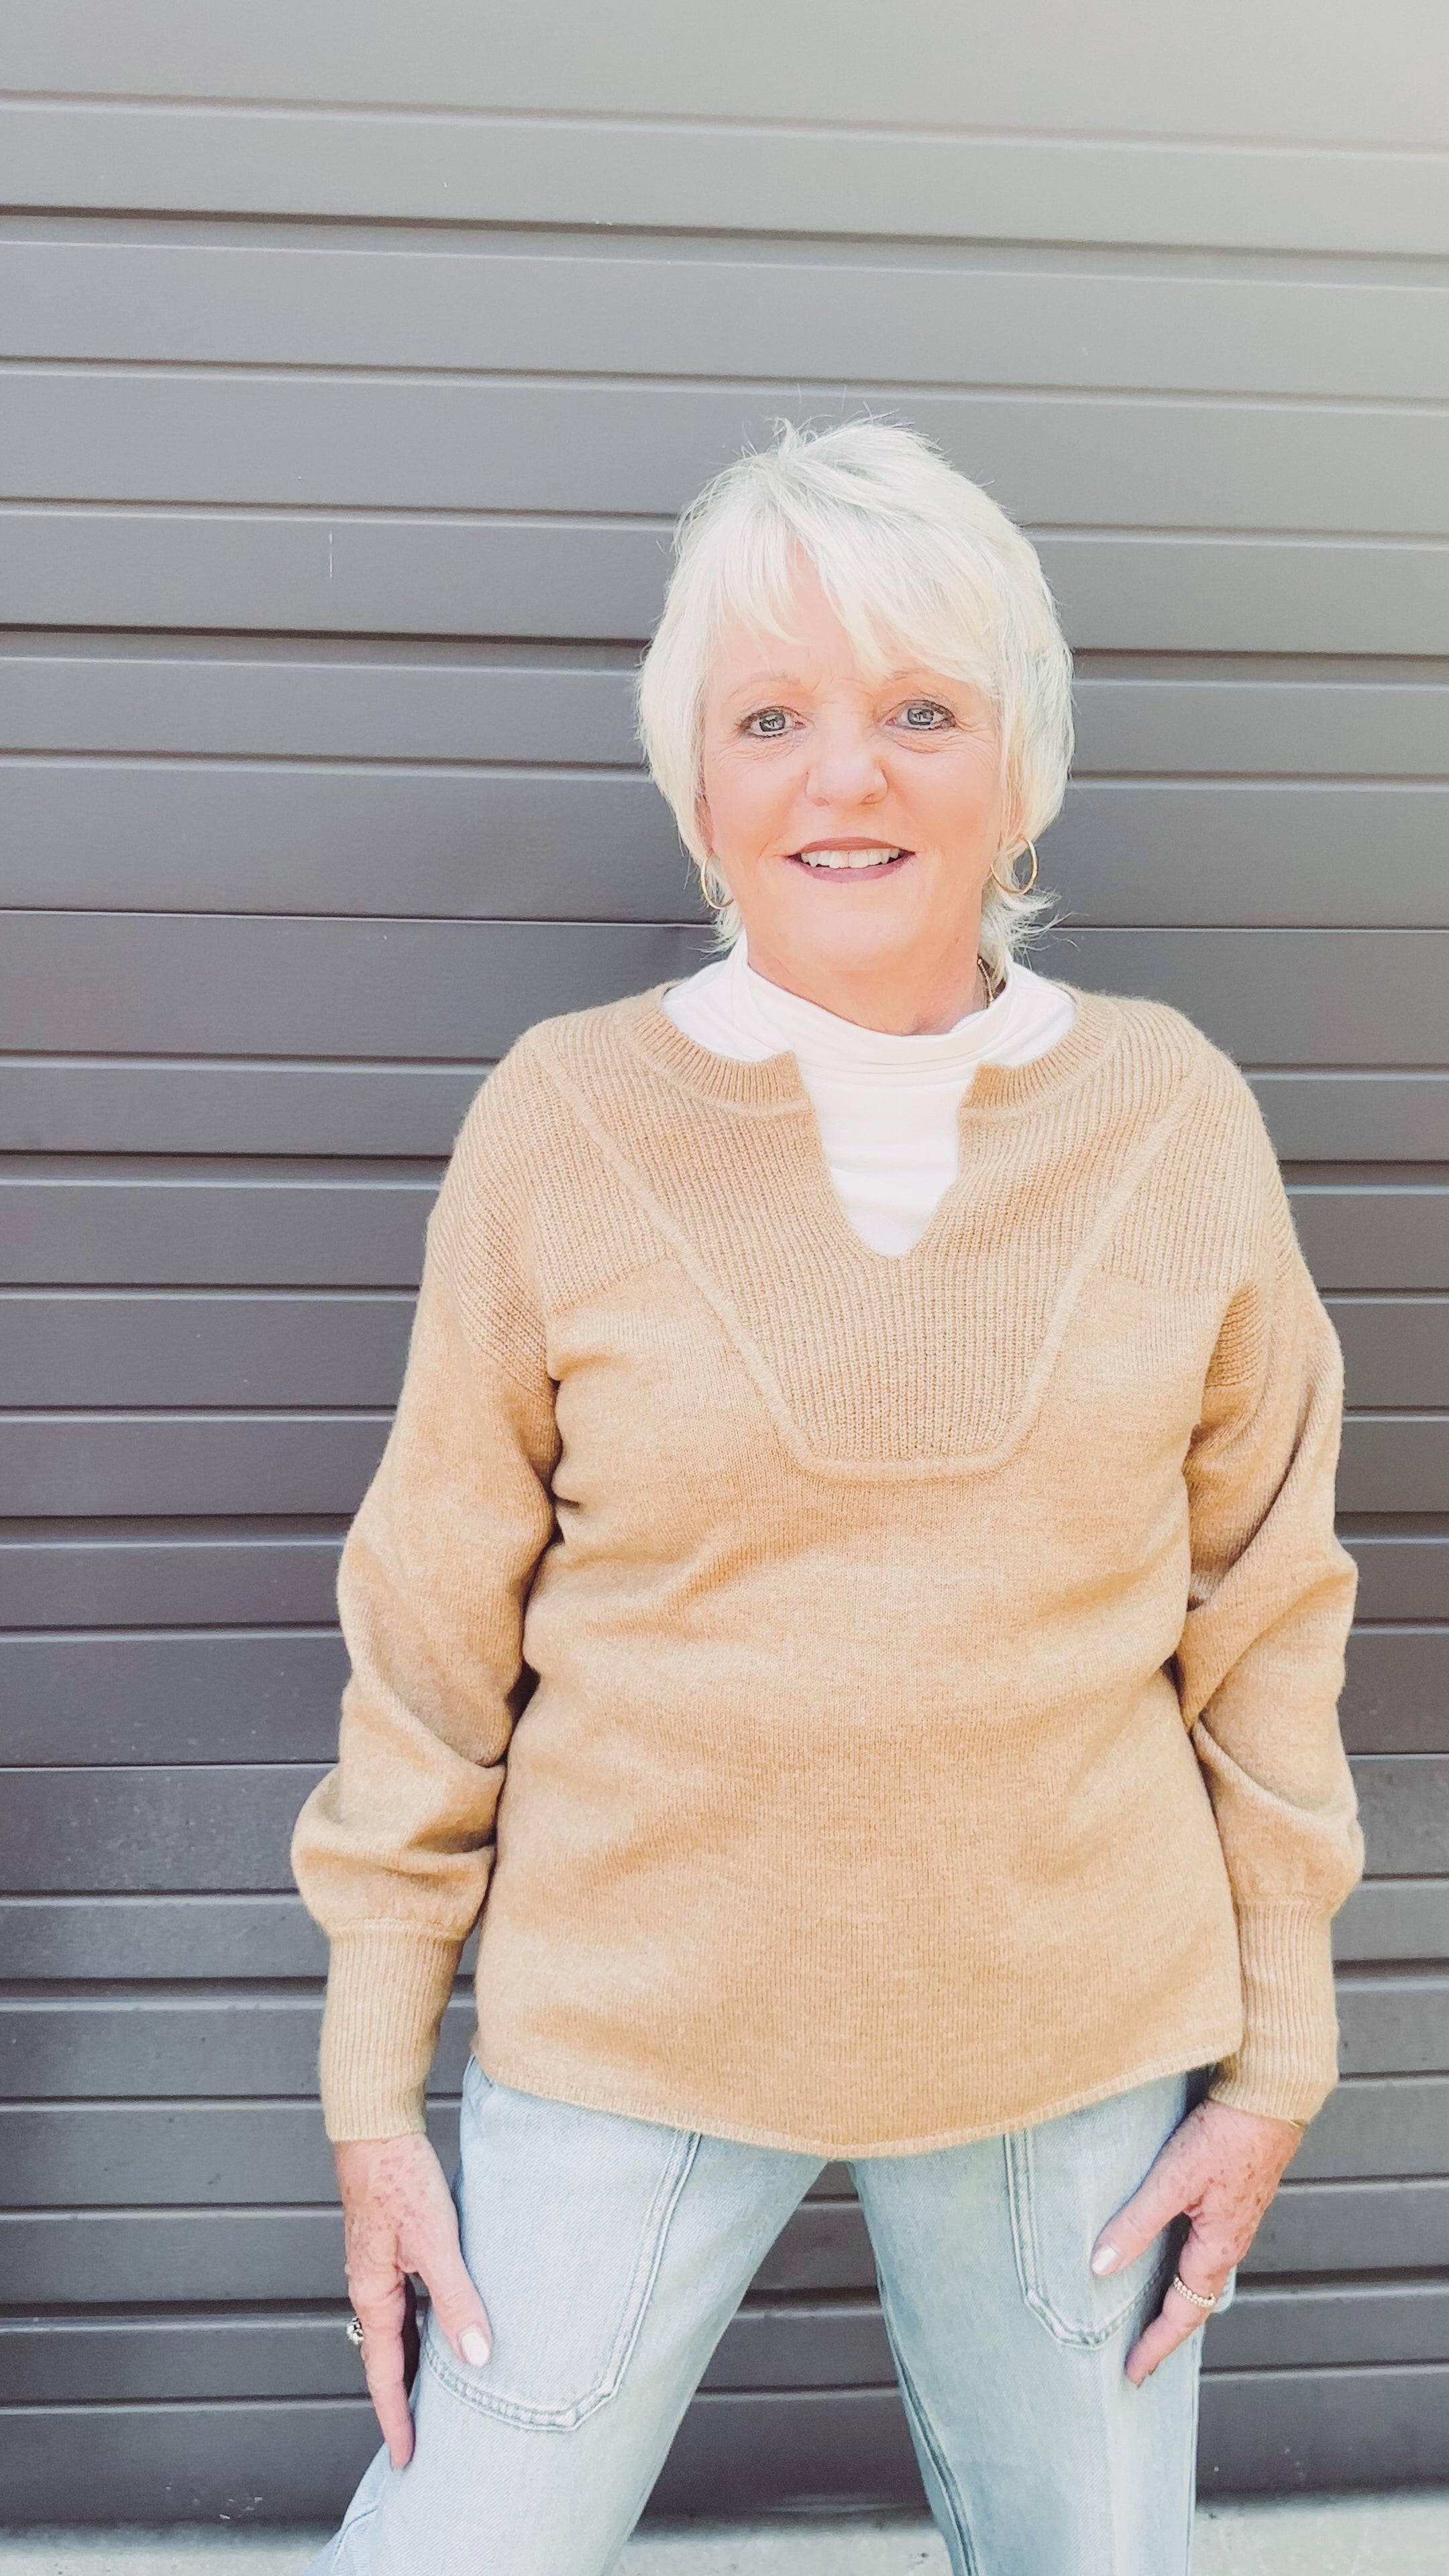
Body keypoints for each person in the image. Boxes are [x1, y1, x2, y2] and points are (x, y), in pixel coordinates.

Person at [293, 419, 1362, 2576]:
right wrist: (370, 2088)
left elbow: (1267, 1612)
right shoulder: (564, 1123)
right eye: (769, 717)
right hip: (633, 2019)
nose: (842, 776)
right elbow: (429, 1628)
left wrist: (1276, 2057)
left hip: (1070, 2034)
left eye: (920, 712)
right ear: (697, 786)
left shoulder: (1172, 1119)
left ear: (1021, 765)